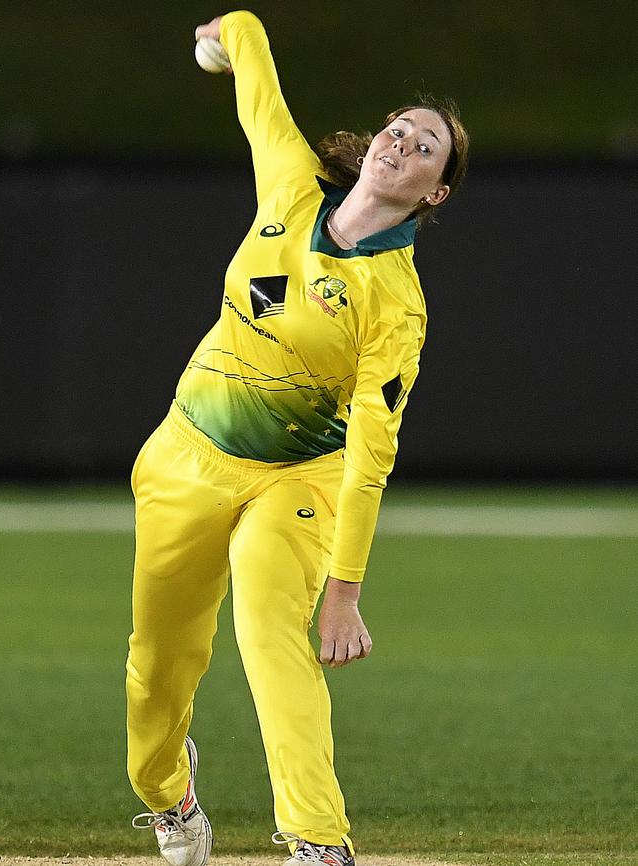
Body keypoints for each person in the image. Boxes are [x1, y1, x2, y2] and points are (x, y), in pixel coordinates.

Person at [126, 10, 468, 866]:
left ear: (435, 193)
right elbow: (253, 68)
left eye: (426, 148)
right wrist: (222, 34)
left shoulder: (396, 304)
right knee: (156, 671)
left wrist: (345, 592)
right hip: (186, 458)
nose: (403, 143)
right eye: (400, 129)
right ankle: (169, 795)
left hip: (299, 479)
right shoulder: (290, 186)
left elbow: (370, 457)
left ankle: (317, 841)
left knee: (268, 633)